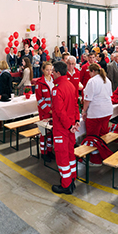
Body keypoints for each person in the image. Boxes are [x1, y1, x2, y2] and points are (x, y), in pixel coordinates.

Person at [50, 61, 80, 194]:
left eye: (52, 71)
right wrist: (76, 121)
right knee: (70, 154)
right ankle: (72, 179)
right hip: (71, 128)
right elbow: (75, 105)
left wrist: (68, 126)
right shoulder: (70, 85)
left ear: (57, 72)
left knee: (62, 157)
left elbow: (60, 112)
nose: (51, 73)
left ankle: (66, 185)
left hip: (62, 129)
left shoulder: (57, 89)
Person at [82, 64, 113, 166]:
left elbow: (87, 99)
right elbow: (110, 95)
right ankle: (103, 154)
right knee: (102, 135)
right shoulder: (107, 80)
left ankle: (95, 160)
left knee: (92, 137)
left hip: (96, 113)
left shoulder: (92, 81)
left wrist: (84, 111)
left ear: (92, 72)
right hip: (107, 111)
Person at [35, 61, 54, 162]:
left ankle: (50, 150)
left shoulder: (54, 80)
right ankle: (43, 152)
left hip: (53, 111)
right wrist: (49, 110)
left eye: (51, 70)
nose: (49, 72)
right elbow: (40, 99)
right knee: (44, 133)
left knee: (51, 132)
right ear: (43, 70)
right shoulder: (39, 83)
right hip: (45, 112)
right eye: (47, 70)